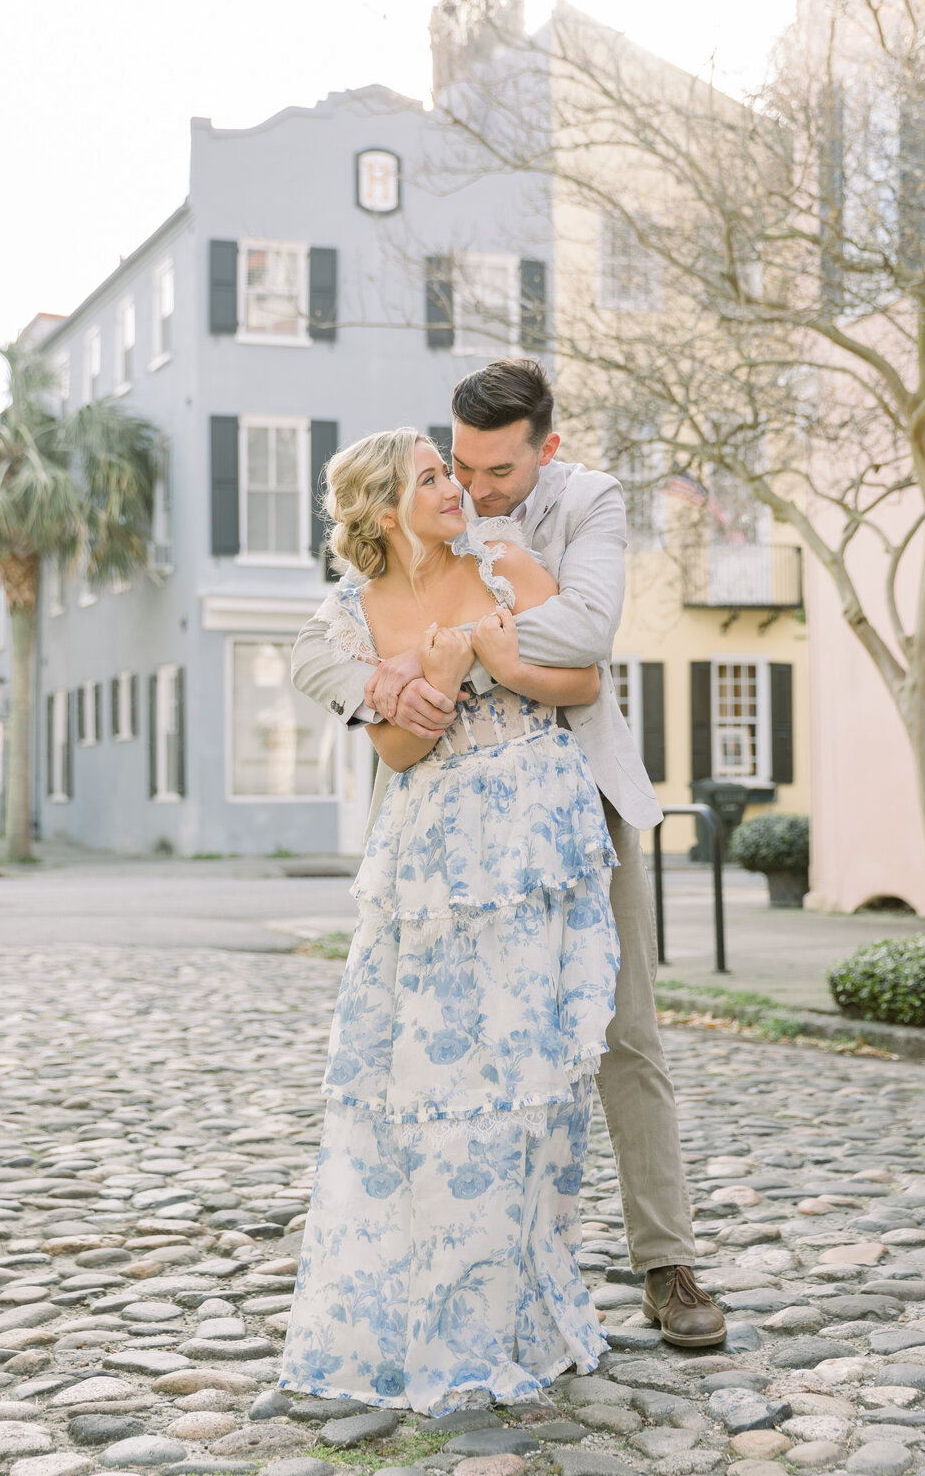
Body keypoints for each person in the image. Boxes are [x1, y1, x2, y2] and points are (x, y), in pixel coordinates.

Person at [292, 360, 725, 1350]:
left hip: (577, 806)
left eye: (491, 472)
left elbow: (587, 638)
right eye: (454, 467)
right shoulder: (382, 580)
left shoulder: (587, 506)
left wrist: (464, 644)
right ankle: (464, 1263)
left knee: (623, 1034)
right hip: (451, 836)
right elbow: (322, 654)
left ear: (546, 450)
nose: (474, 490)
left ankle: (667, 1264)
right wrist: (386, 689)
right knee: (456, 1050)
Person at [279, 428, 621, 1414]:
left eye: (452, 473)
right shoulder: (353, 615)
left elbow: (582, 682)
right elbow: (396, 748)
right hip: (438, 861)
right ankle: (432, 1312)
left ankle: (523, 1310)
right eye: (433, 477)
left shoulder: (506, 561)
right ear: (387, 507)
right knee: (439, 1078)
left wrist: (487, 656)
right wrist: (427, 674)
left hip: (542, 845)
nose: (455, 488)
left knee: (534, 1083)